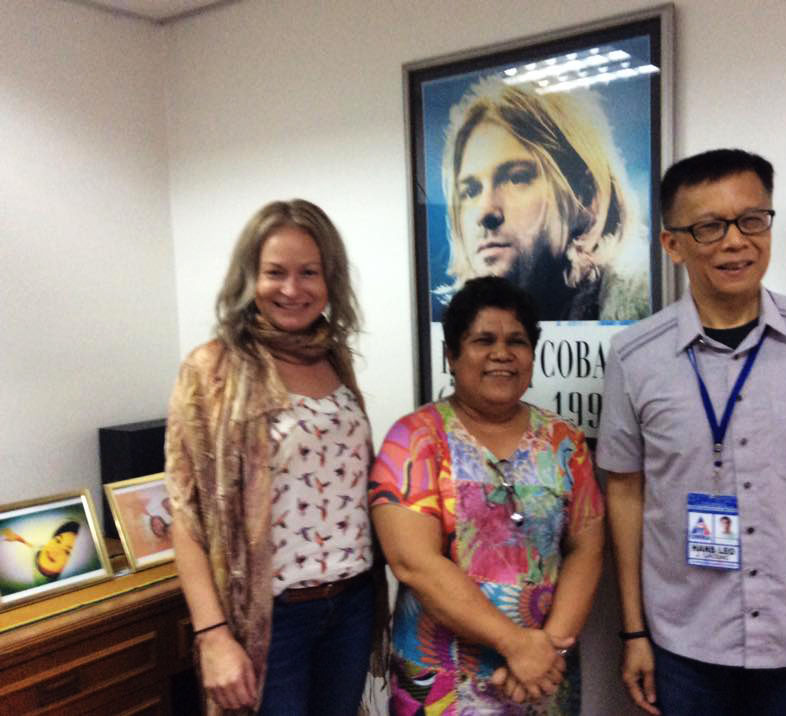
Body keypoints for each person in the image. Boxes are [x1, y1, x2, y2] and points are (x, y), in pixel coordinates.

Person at [597, 149, 786, 715]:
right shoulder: (635, 357)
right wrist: (633, 632)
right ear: (672, 244)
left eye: (752, 220)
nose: (735, 242)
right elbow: (625, 493)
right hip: (682, 644)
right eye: (709, 227)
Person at [164, 199, 387, 716]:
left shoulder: (334, 357)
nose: (292, 288)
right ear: (250, 277)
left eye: (309, 272)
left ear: (330, 279)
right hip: (269, 616)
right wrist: (212, 635)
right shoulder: (211, 369)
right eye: (275, 272)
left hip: (351, 605)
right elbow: (185, 513)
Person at [369, 276, 605, 713]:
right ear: (451, 355)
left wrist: (547, 650)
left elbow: (586, 549)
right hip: (439, 681)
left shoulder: (564, 442)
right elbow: (414, 563)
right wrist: (515, 645)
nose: (502, 353)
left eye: (517, 341)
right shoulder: (414, 439)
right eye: (483, 340)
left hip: (545, 675)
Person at [438, 77, 649, 321]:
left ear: (586, 194)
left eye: (517, 178)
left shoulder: (642, 305)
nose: (485, 212)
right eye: (471, 191)